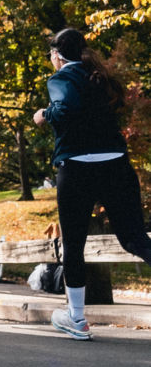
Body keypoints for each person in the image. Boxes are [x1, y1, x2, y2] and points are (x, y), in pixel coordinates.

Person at [33, 27, 151, 340]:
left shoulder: (61, 78)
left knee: (74, 244)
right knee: (135, 239)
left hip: (78, 169)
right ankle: (76, 318)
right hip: (116, 165)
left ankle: (77, 319)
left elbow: (67, 107)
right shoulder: (100, 77)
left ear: (57, 55)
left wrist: (45, 114)